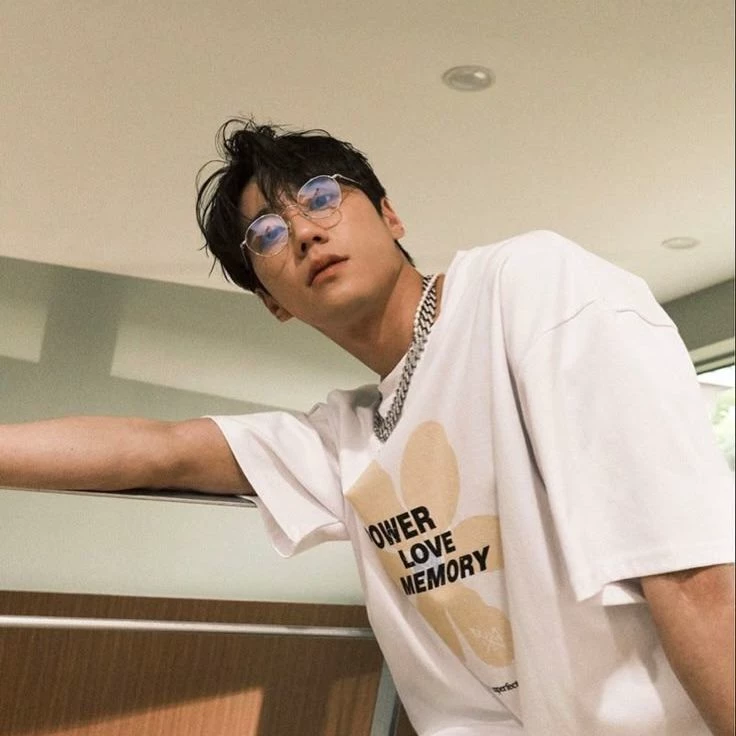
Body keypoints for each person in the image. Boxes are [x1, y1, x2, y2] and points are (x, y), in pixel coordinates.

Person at [1, 119, 734, 736]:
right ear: (273, 303)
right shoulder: (347, 437)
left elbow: (691, 572)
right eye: (266, 233)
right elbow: (163, 451)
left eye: (322, 197)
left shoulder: (527, 287)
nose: (304, 231)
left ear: (390, 216)